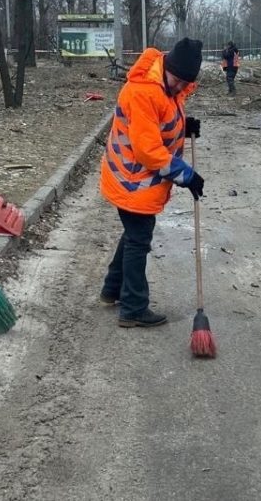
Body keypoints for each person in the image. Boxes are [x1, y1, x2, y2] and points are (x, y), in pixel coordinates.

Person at [99, 38, 205, 328]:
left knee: (134, 234)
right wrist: (186, 175)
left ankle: (112, 289)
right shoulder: (143, 92)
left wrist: (185, 128)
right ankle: (133, 307)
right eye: (178, 81)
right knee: (139, 238)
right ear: (167, 67)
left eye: (186, 84)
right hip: (131, 179)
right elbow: (148, 150)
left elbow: (163, 121)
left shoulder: (166, 86)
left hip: (137, 178)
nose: (181, 88)